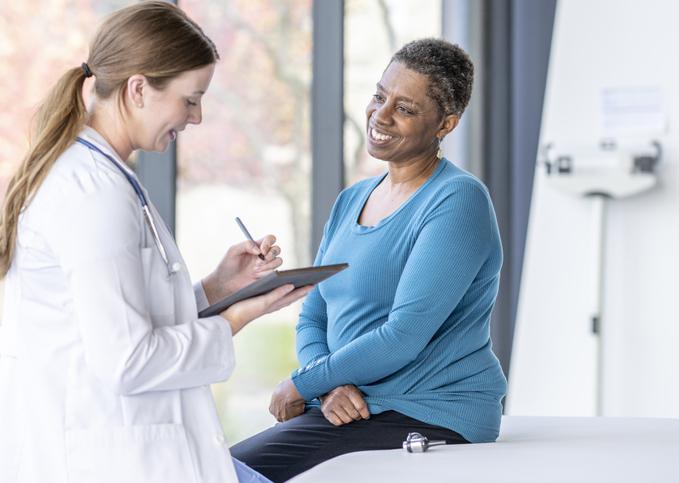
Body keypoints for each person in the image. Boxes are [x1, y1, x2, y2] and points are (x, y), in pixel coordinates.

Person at [0, 3, 311, 483]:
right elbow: (127, 360)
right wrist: (234, 319)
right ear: (139, 88)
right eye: (190, 100)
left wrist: (217, 287)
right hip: (105, 454)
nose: (197, 117)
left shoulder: (105, 177)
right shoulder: (91, 194)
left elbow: (126, 317)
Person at [230, 38, 507, 482]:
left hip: (426, 410)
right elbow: (313, 316)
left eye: (405, 107)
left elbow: (403, 335)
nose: (381, 114)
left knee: (222, 471)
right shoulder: (351, 199)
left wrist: (302, 385)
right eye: (380, 96)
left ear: (446, 124)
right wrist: (330, 383)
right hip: (354, 402)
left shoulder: (457, 200)